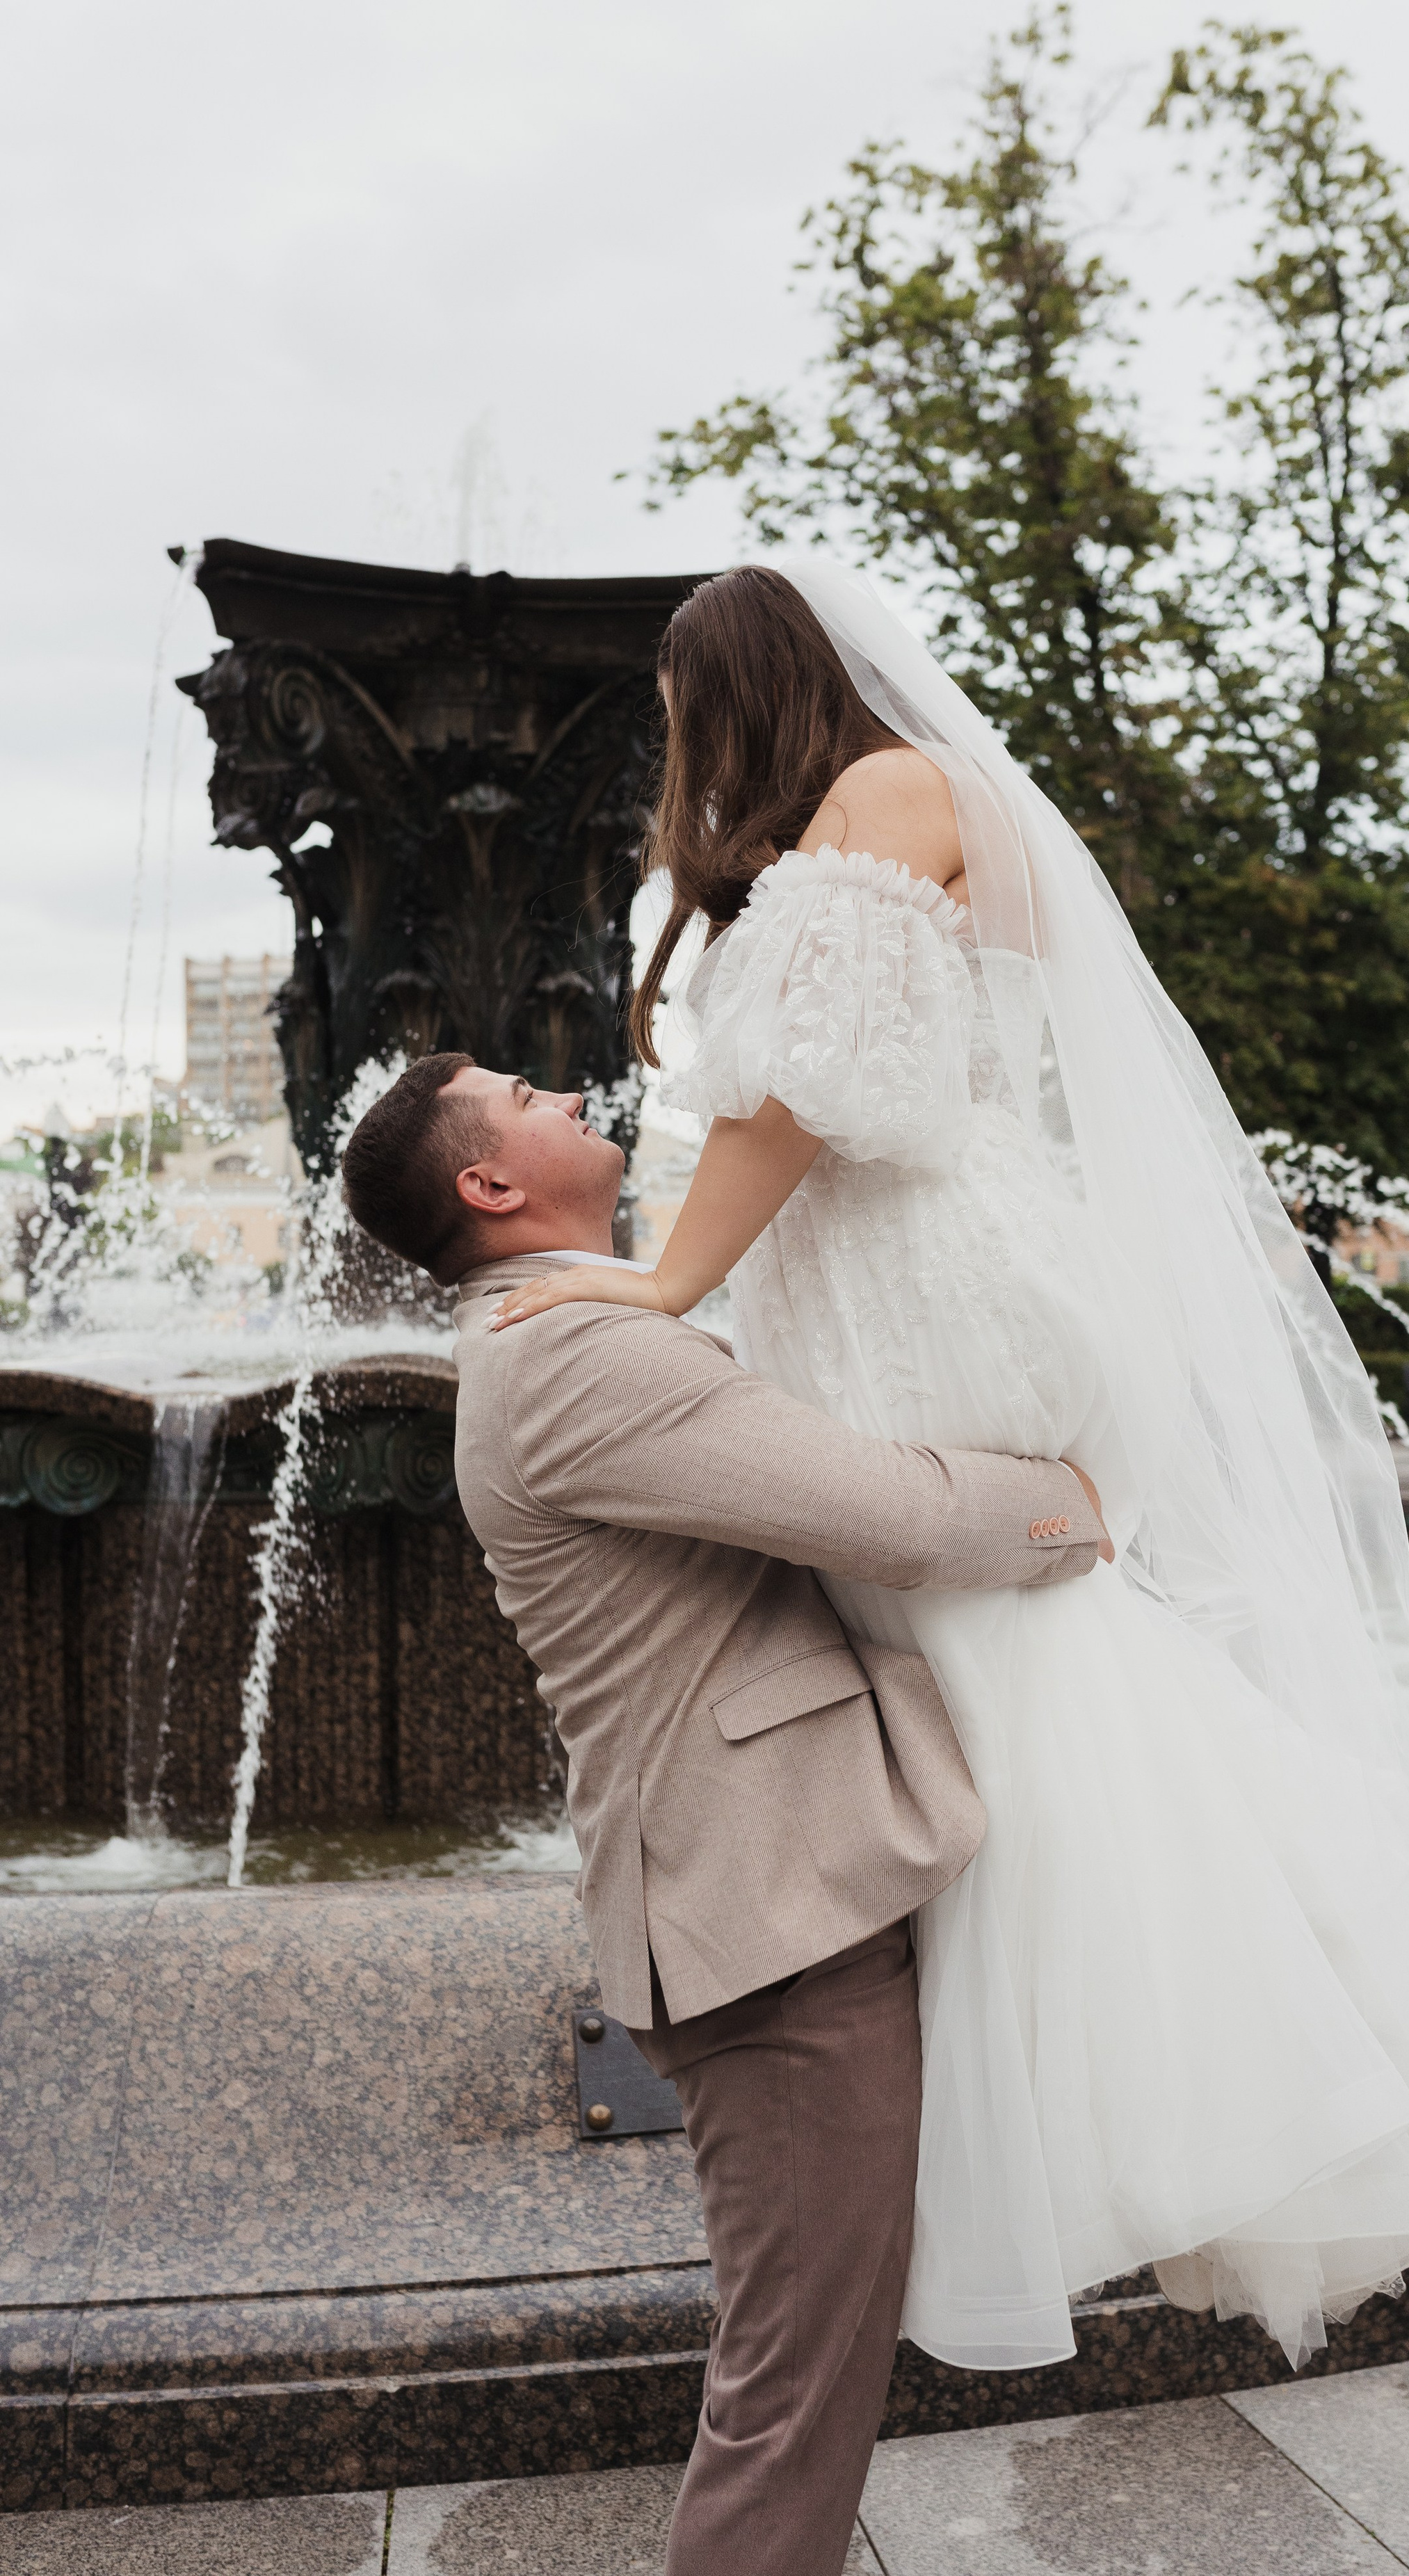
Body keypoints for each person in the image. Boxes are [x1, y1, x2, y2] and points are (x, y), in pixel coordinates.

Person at [492, 561, 1409, 2379]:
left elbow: (800, 1089)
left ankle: (1164, 2124)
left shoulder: (880, 798)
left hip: (917, 1294)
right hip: (958, 1266)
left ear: (742, 692)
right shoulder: (942, 798)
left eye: (685, 709)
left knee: (1014, 1686)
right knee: (1052, 1690)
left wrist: (666, 1284)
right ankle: (1188, 2102)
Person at [339, 1054, 1108, 2576]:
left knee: (804, 2371)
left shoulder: (566, 1327)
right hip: (766, 1915)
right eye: (522, 1095)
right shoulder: (568, 1353)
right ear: (490, 1186)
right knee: (791, 2396)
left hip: (774, 1891)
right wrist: (1079, 1499)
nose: (563, 1089)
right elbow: (894, 1513)